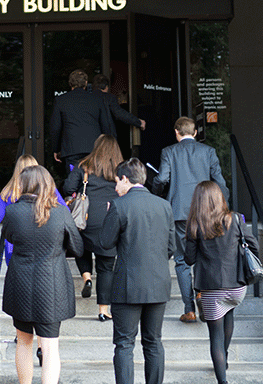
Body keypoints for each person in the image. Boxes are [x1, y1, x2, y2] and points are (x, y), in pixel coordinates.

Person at [2, 165, 83, 384]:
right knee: (50, 347)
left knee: (24, 342)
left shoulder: (12, 211)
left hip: (20, 282)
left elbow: (9, 236)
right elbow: (78, 248)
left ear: (24, 185)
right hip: (52, 285)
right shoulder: (60, 212)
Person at [99, 158, 175, 384]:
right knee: (154, 342)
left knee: (124, 344)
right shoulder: (164, 205)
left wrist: (109, 214)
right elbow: (171, 247)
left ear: (125, 179)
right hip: (159, 283)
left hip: (127, 286)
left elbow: (105, 242)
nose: (115, 187)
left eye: (116, 182)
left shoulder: (119, 205)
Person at [153, 116, 227, 323]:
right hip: (207, 212)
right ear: (195, 133)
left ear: (176, 132)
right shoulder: (208, 152)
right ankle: (203, 294)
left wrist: (156, 194)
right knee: (205, 256)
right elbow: (219, 181)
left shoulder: (169, 152)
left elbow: (161, 179)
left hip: (179, 213)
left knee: (182, 261)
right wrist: (224, 208)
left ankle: (190, 310)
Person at [184, 181, 258, 384]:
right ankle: (223, 358)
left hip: (211, 287)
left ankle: (222, 380)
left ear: (197, 201)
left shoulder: (195, 224)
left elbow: (189, 259)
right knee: (229, 313)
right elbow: (253, 245)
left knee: (215, 336)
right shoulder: (235, 219)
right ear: (219, 197)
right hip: (236, 285)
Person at [62, 134, 123, 321]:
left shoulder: (84, 166)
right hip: (111, 216)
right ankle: (103, 310)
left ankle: (87, 277)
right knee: (106, 266)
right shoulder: (121, 168)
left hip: (86, 217)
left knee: (82, 248)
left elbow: (67, 187)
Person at [0, 154, 67, 265]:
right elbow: (65, 210)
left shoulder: (8, 192)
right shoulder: (49, 190)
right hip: (45, 243)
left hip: (15, 247)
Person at [49, 69, 115, 171]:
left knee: (74, 183)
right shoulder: (97, 100)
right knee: (93, 183)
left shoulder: (61, 100)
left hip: (71, 150)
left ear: (70, 83)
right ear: (85, 83)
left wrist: (56, 149)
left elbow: (55, 127)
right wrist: (107, 148)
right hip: (94, 149)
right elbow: (106, 125)